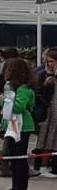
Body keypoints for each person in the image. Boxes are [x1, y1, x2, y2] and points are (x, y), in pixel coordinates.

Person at [0, 57, 36, 190]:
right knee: (14, 157)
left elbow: (18, 107)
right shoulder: (14, 88)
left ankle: (20, 187)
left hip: (22, 126)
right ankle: (15, 185)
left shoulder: (23, 89)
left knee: (19, 157)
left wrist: (5, 101)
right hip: (14, 126)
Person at [34, 49, 57, 178]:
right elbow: (37, 90)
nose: (49, 64)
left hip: (55, 108)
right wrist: (44, 85)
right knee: (45, 137)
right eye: (48, 62)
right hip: (48, 109)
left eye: (52, 61)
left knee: (53, 138)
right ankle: (42, 166)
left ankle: (51, 166)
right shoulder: (43, 74)